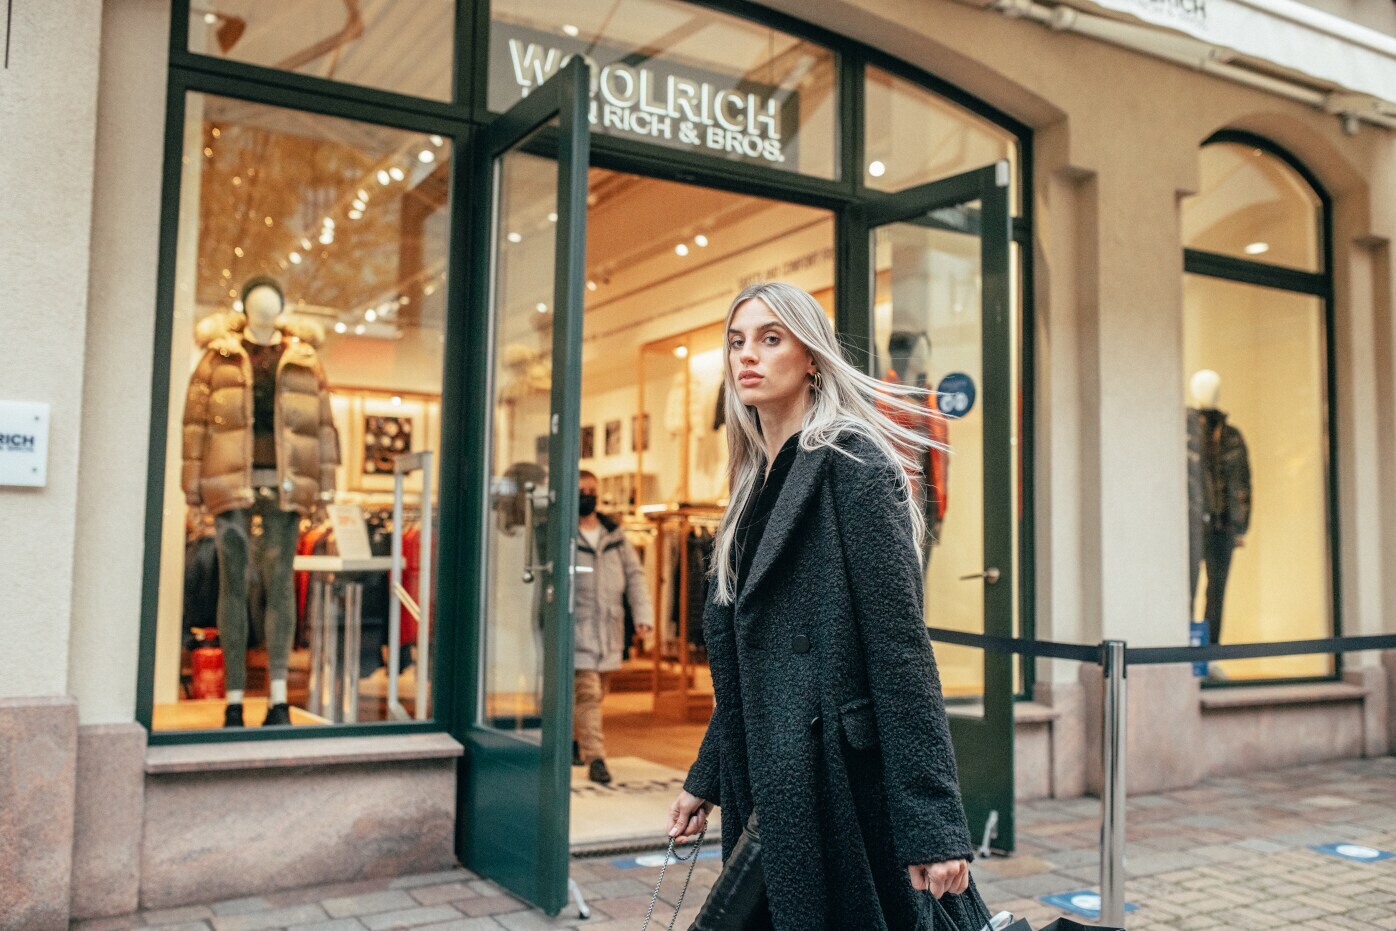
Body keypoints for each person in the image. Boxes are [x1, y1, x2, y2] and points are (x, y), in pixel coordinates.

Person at [667, 282, 983, 930]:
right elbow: (753, 664)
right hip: (770, 777)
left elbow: (900, 650)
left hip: (839, 785)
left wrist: (933, 823)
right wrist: (706, 776)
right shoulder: (752, 483)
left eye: (770, 338)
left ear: (811, 356)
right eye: (736, 341)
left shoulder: (854, 463)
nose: (746, 355)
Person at [573, 469, 653, 784]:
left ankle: (573, 741)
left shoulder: (615, 536)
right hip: (578, 629)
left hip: (610, 630)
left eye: (591, 491)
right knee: (588, 692)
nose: (587, 496)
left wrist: (643, 615)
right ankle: (596, 758)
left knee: (598, 693)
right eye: (581, 491)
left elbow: (635, 576)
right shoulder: (566, 534)